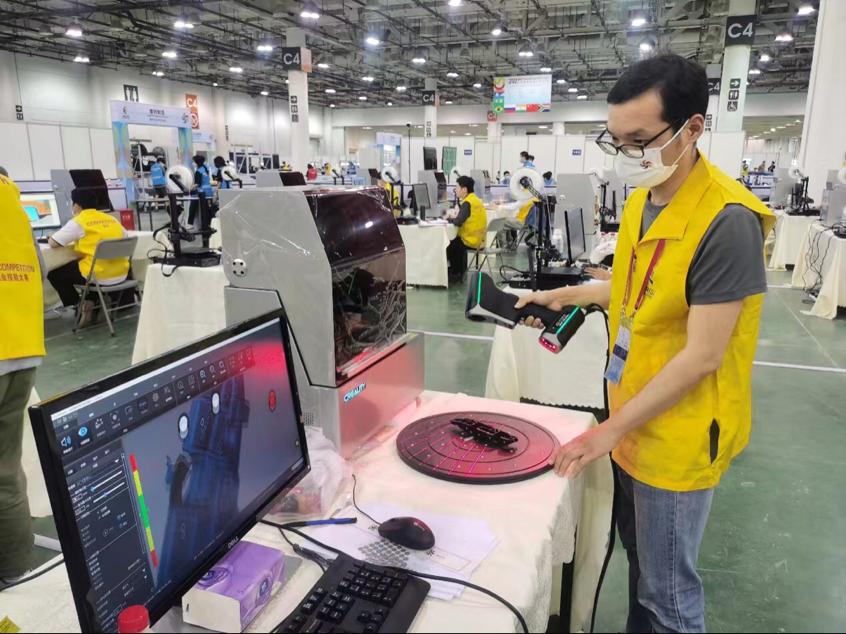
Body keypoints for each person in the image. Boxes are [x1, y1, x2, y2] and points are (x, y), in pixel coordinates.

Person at [516, 53, 774, 633]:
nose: (627, 155)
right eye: (616, 141)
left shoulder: (727, 221)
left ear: (693, 128)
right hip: (631, 415)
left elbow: (703, 355)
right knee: (642, 572)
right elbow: (639, 289)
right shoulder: (642, 200)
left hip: (677, 438)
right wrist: (570, 295)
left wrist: (608, 432)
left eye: (639, 141)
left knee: (669, 598)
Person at [0, 169, 45, 584]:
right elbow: (39, 267)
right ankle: (15, 574)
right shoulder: (14, 204)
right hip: (21, 349)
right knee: (6, 469)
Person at [47, 188, 129, 327]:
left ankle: (79, 305)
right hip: (121, 274)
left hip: (98, 277)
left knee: (56, 272)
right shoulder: (111, 219)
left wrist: (50, 236)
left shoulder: (79, 221)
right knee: (88, 265)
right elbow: (125, 236)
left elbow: (54, 243)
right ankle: (94, 301)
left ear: (77, 205)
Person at [446, 175, 487, 281]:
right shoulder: (476, 200)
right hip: (480, 240)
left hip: (470, 240)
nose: (455, 190)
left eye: (457, 187)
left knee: (450, 244)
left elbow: (458, 222)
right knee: (456, 242)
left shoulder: (467, 203)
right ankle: (459, 271)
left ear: (464, 189)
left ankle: (455, 273)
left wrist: (449, 219)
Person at [188, 155, 213, 227]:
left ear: (196, 162)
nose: (193, 163)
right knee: (206, 209)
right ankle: (208, 223)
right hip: (208, 191)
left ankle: (190, 223)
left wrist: (190, 188)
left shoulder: (198, 171)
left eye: (193, 162)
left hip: (202, 192)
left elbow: (197, 184)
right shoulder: (205, 169)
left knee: (193, 205)